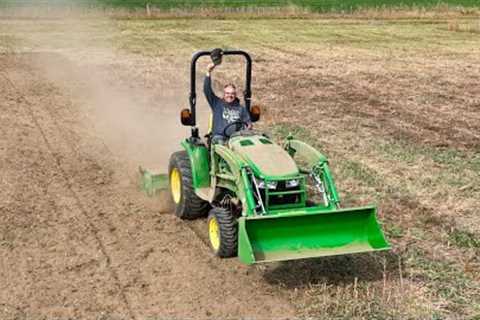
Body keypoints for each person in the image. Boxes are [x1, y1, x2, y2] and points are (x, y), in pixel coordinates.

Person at [204, 63, 251, 144]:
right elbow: (207, 90)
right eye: (227, 93)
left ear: (235, 94)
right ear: (224, 94)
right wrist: (208, 72)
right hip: (219, 137)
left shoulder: (241, 108)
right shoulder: (217, 103)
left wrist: (248, 127)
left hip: (236, 139)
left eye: (232, 93)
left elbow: (248, 123)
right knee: (221, 142)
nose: (230, 95)